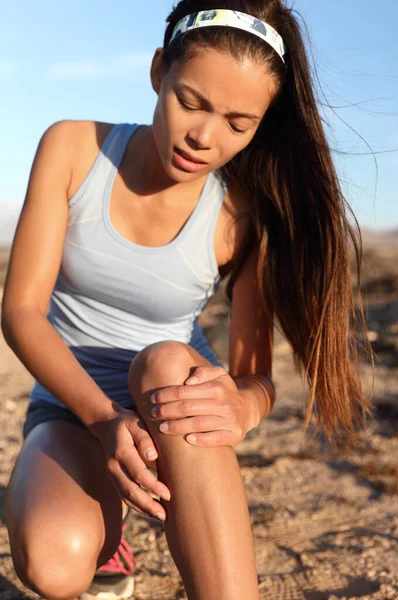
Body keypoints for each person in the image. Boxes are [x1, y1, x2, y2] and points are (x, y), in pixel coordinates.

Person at [2, 2, 373, 599]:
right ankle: (105, 525)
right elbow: (20, 310)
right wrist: (104, 423)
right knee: (54, 565)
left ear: (261, 124)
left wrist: (243, 406)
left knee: (166, 362)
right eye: (191, 102)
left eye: (238, 122)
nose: (204, 136)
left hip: (174, 409)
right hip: (76, 407)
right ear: (158, 72)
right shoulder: (73, 149)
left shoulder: (241, 214)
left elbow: (256, 377)